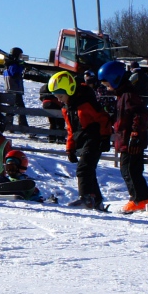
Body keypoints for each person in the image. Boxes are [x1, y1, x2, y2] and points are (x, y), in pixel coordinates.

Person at [100, 60, 148, 213]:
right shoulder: (122, 95)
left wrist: (135, 134)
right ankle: (141, 198)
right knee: (130, 170)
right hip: (125, 139)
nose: (107, 87)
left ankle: (140, 199)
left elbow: (139, 114)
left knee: (129, 170)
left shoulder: (129, 95)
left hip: (131, 141)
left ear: (115, 79)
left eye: (107, 84)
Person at [52, 70, 109, 212]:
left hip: (94, 137)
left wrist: (105, 138)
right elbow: (70, 129)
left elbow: (104, 119)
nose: (59, 100)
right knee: (89, 171)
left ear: (69, 90)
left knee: (83, 169)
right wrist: (70, 148)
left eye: (60, 96)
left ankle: (86, 198)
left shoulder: (86, 103)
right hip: (82, 140)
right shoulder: (67, 108)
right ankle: (97, 202)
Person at [0, 46, 28, 130]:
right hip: (14, 90)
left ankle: (8, 125)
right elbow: (14, 74)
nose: (21, 57)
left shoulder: (8, 65)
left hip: (10, 89)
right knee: (20, 109)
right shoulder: (12, 65)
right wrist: (22, 67)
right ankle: (23, 126)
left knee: (11, 109)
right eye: (20, 55)